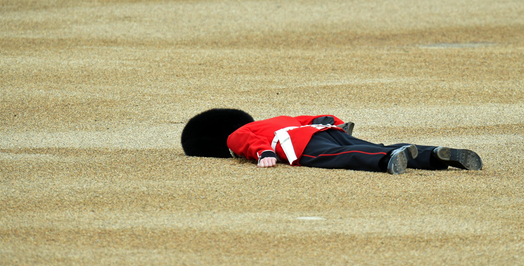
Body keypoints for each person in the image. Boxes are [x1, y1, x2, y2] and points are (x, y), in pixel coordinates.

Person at [181, 108, 483, 174]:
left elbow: (244, 141)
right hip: (324, 131)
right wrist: (335, 124)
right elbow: (312, 118)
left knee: (349, 156)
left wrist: (263, 154)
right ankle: (433, 155)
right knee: (372, 144)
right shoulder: (274, 119)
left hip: (302, 147)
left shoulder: (236, 136)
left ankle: (387, 162)